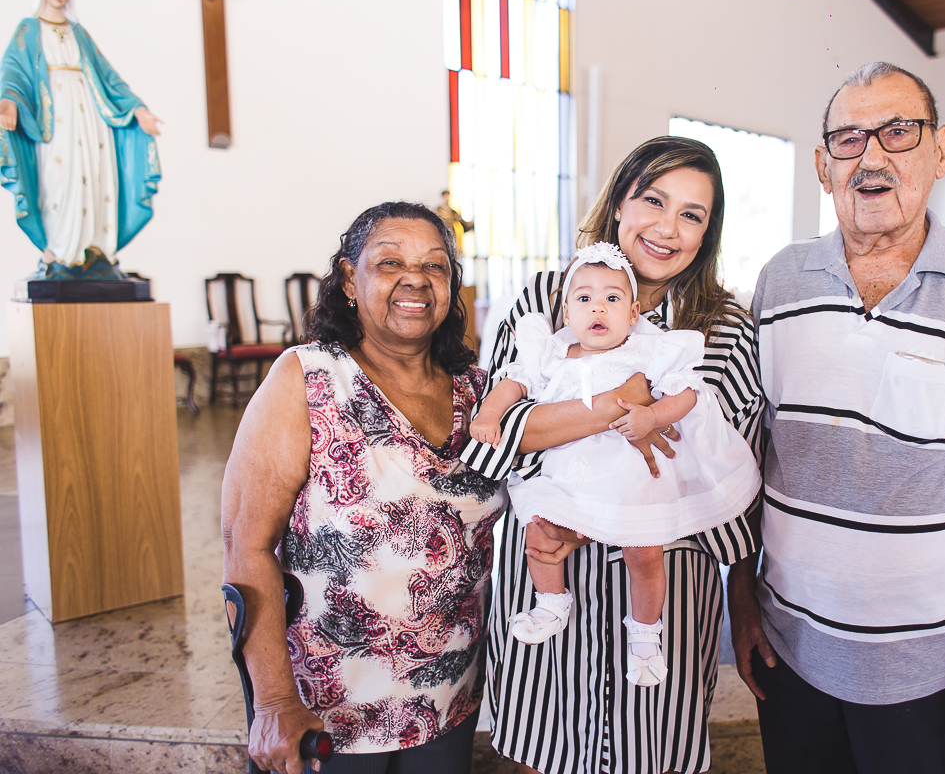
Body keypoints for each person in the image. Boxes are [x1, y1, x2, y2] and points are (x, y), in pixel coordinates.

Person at [730, 62, 945, 774]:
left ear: (939, 150)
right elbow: (747, 462)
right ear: (823, 166)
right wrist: (743, 600)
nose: (871, 156)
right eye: (847, 139)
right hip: (791, 649)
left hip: (935, 664)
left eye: (897, 132)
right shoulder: (781, 280)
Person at [460, 136, 764, 774]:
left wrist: (745, 593)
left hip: (667, 581)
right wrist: (619, 407)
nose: (667, 226)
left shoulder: (723, 325)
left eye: (691, 214)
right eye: (653, 200)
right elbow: (504, 432)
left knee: (652, 750)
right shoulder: (546, 297)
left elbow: (724, 461)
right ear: (619, 203)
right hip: (548, 560)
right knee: (545, 749)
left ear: (707, 234)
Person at [221, 202, 507, 774]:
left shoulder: (484, 393)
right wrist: (276, 701)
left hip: (448, 701)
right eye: (390, 262)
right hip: (326, 713)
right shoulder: (306, 378)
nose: (416, 279)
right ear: (350, 279)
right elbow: (245, 547)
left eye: (436, 266)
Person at [469, 243, 760, 687]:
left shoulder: (646, 352)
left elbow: (688, 392)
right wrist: (489, 414)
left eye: (612, 298)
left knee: (643, 555)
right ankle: (552, 601)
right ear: (566, 312)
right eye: (584, 299)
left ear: (633, 312)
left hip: (628, 480)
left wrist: (653, 416)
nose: (597, 308)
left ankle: (646, 632)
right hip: (570, 478)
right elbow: (514, 382)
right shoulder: (553, 353)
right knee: (537, 534)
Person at [0, 0, 161, 273]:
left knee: (94, 174)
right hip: (55, 116)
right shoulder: (29, 29)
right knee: (59, 177)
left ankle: (93, 247)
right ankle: (60, 250)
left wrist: (137, 109)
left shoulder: (78, 33)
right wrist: (8, 102)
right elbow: (13, 72)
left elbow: (107, 76)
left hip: (89, 115)